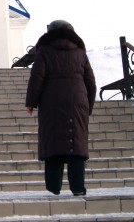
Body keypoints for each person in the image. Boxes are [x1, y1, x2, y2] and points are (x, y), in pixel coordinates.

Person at [25, 20, 97, 196]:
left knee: (53, 143)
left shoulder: (44, 51)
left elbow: (37, 78)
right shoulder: (80, 53)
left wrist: (31, 102)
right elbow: (91, 82)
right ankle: (78, 188)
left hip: (52, 102)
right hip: (78, 102)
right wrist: (89, 105)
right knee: (77, 145)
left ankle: (53, 189)